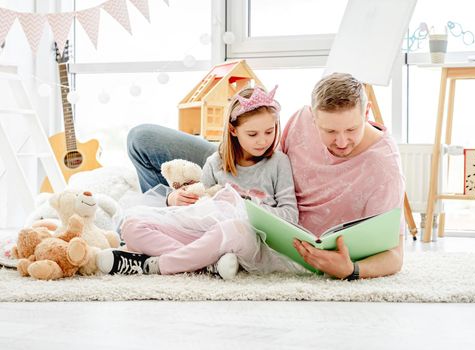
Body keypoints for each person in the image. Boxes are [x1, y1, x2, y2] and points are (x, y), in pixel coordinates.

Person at [126, 73, 405, 280]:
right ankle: (176, 232)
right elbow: (265, 161)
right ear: (313, 116)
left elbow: (394, 254)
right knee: (142, 138)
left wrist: (353, 270)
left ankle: (172, 253)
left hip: (270, 233)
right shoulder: (301, 120)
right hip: (238, 182)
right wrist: (186, 194)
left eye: (351, 130)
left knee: (228, 230)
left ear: (366, 113)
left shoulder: (384, 168)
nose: (342, 141)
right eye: (330, 132)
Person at [97, 86, 300, 279]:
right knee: (132, 226)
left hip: (247, 241)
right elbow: (199, 206)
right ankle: (205, 263)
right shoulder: (216, 163)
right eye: (253, 134)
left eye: (269, 131)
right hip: (205, 236)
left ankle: (157, 265)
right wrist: (175, 199)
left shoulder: (278, 163)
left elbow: (290, 215)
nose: (263, 141)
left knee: (232, 227)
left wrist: (246, 205)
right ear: (233, 130)